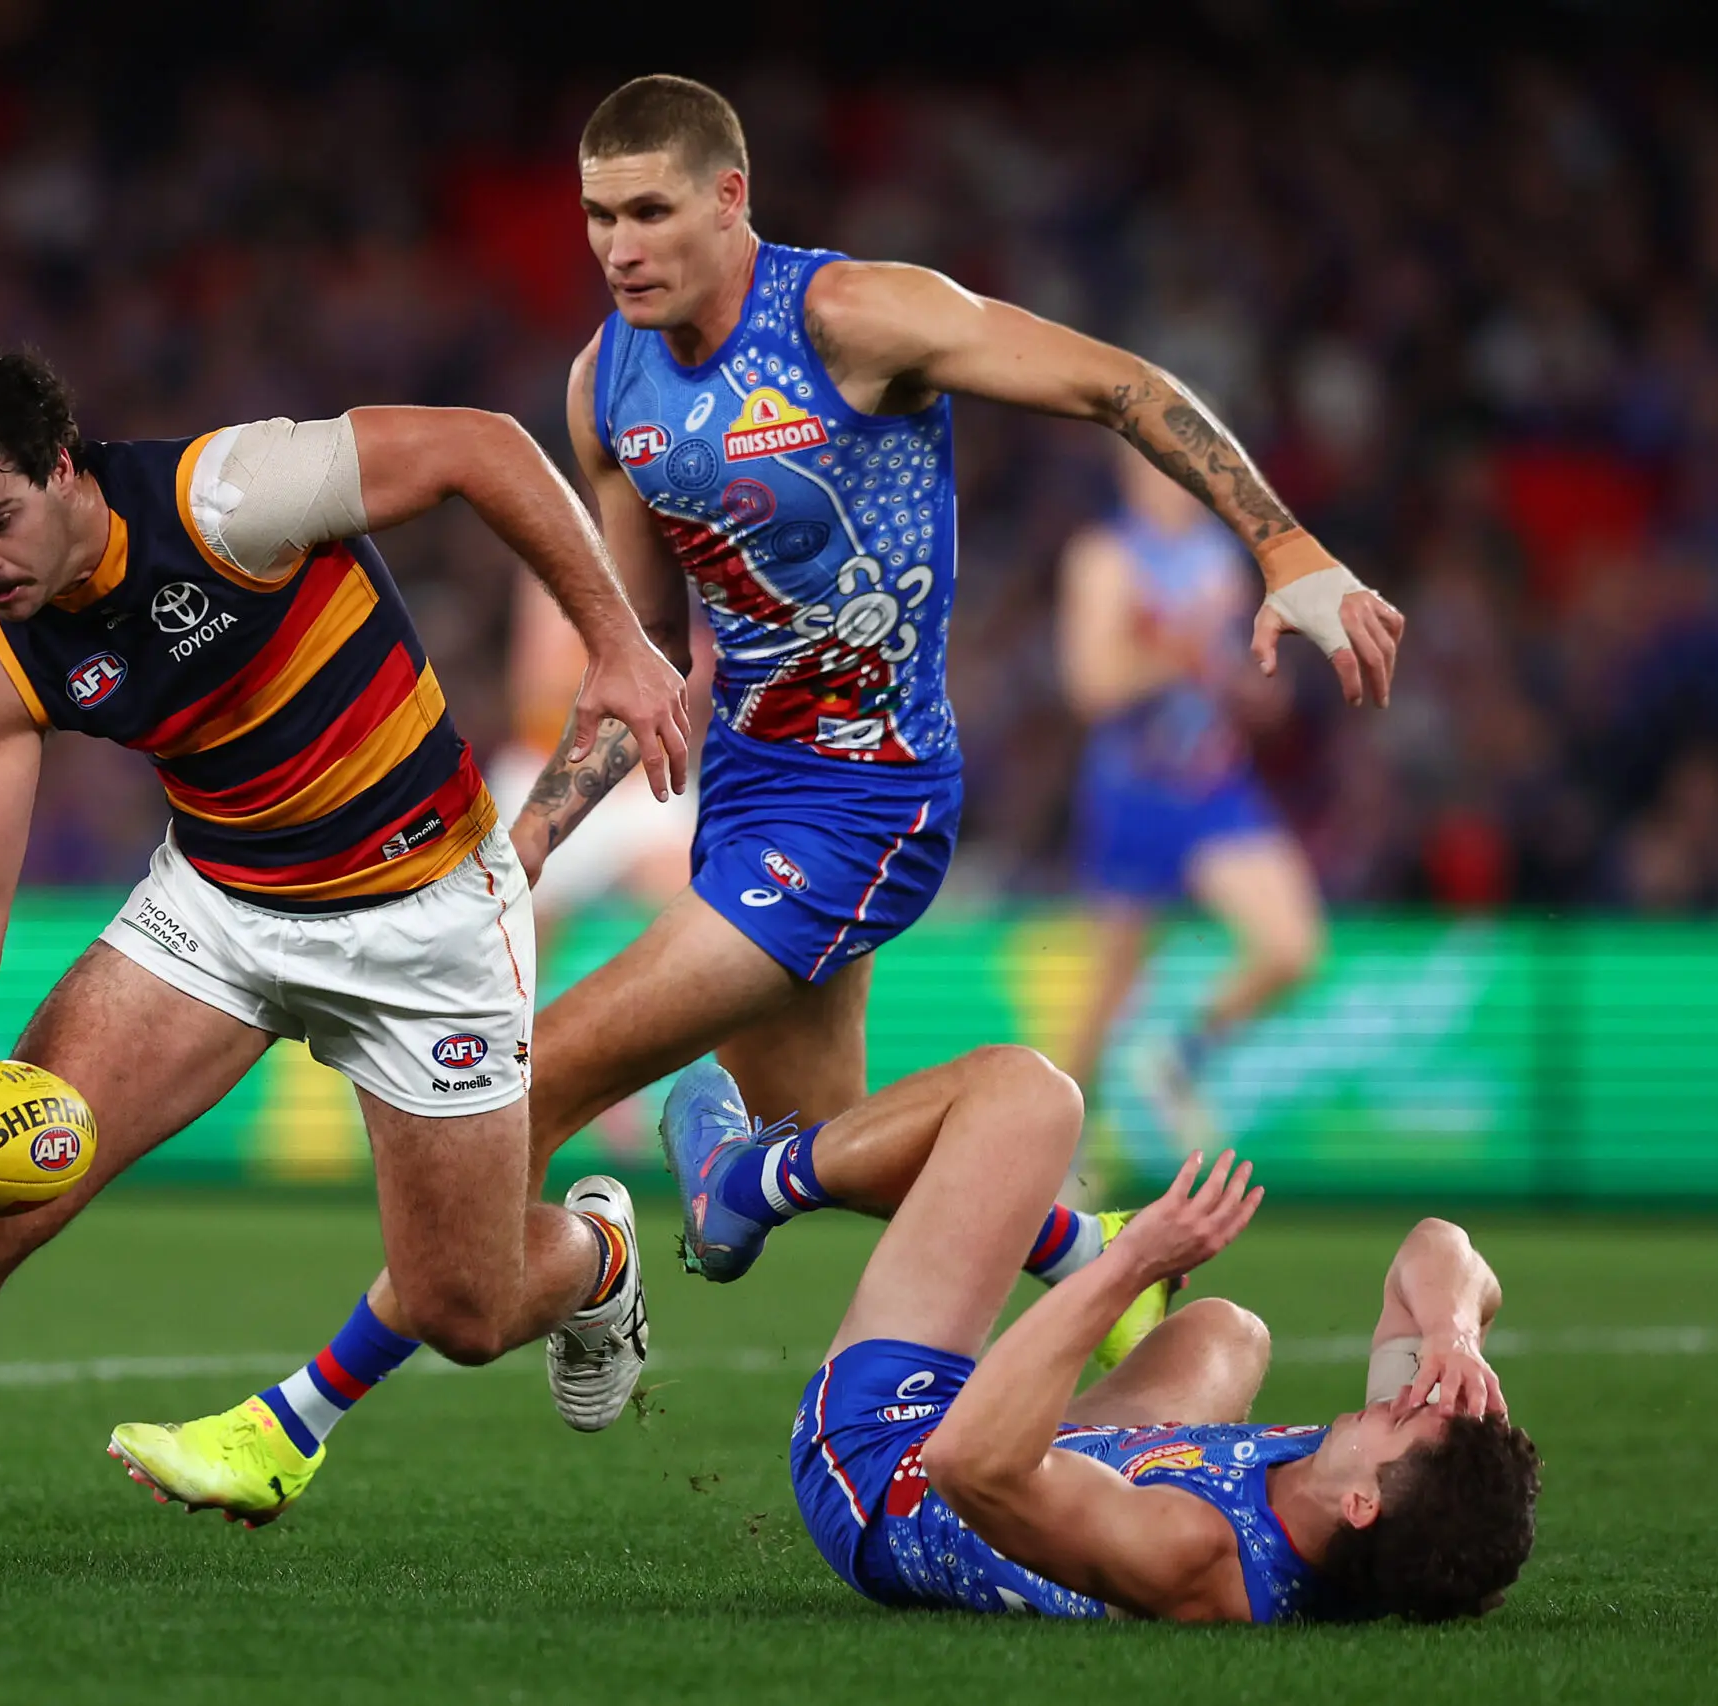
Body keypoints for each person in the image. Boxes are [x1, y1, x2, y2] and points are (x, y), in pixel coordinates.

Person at [136, 73, 1408, 1521]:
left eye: (651, 210)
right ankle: (1069, 1241)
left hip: (866, 807)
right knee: (843, 1144)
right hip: (744, 796)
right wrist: (526, 843)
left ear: (730, 199)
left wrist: (1288, 545)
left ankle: (301, 1416)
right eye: (598, 215)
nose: (619, 243)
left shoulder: (853, 319)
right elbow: (636, 666)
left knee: (526, 1077)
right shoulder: (602, 384)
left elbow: (1119, 382)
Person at [0, 336, 694, 1568]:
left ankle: (596, 1259)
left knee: (465, 1310)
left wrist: (618, 642)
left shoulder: (228, 499)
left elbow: (478, 446)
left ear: (63, 468)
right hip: (218, 910)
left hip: (424, 916)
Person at [653, 1051, 1538, 1623]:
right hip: (1072, 1456)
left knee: (1029, 1100)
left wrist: (1131, 1264)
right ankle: (1073, 1249)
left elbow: (971, 1464)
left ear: (1363, 1504)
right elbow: (1435, 1249)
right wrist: (1456, 1329)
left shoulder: (1192, 1554)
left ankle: (745, 1186)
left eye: (1407, 1414)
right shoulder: (1368, 1511)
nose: (1405, 1393)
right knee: (1229, 1333)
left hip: (892, 1462)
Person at [1058, 443, 1326, 1145]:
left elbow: (1222, 672)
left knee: (1292, 948)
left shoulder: (1219, 559)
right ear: (1131, 470)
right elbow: (1093, 687)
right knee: (1109, 991)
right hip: (1134, 793)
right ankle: (1056, 1142)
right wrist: (1181, 649)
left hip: (1213, 784)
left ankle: (1178, 1058)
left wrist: (1253, 690)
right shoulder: (1107, 558)